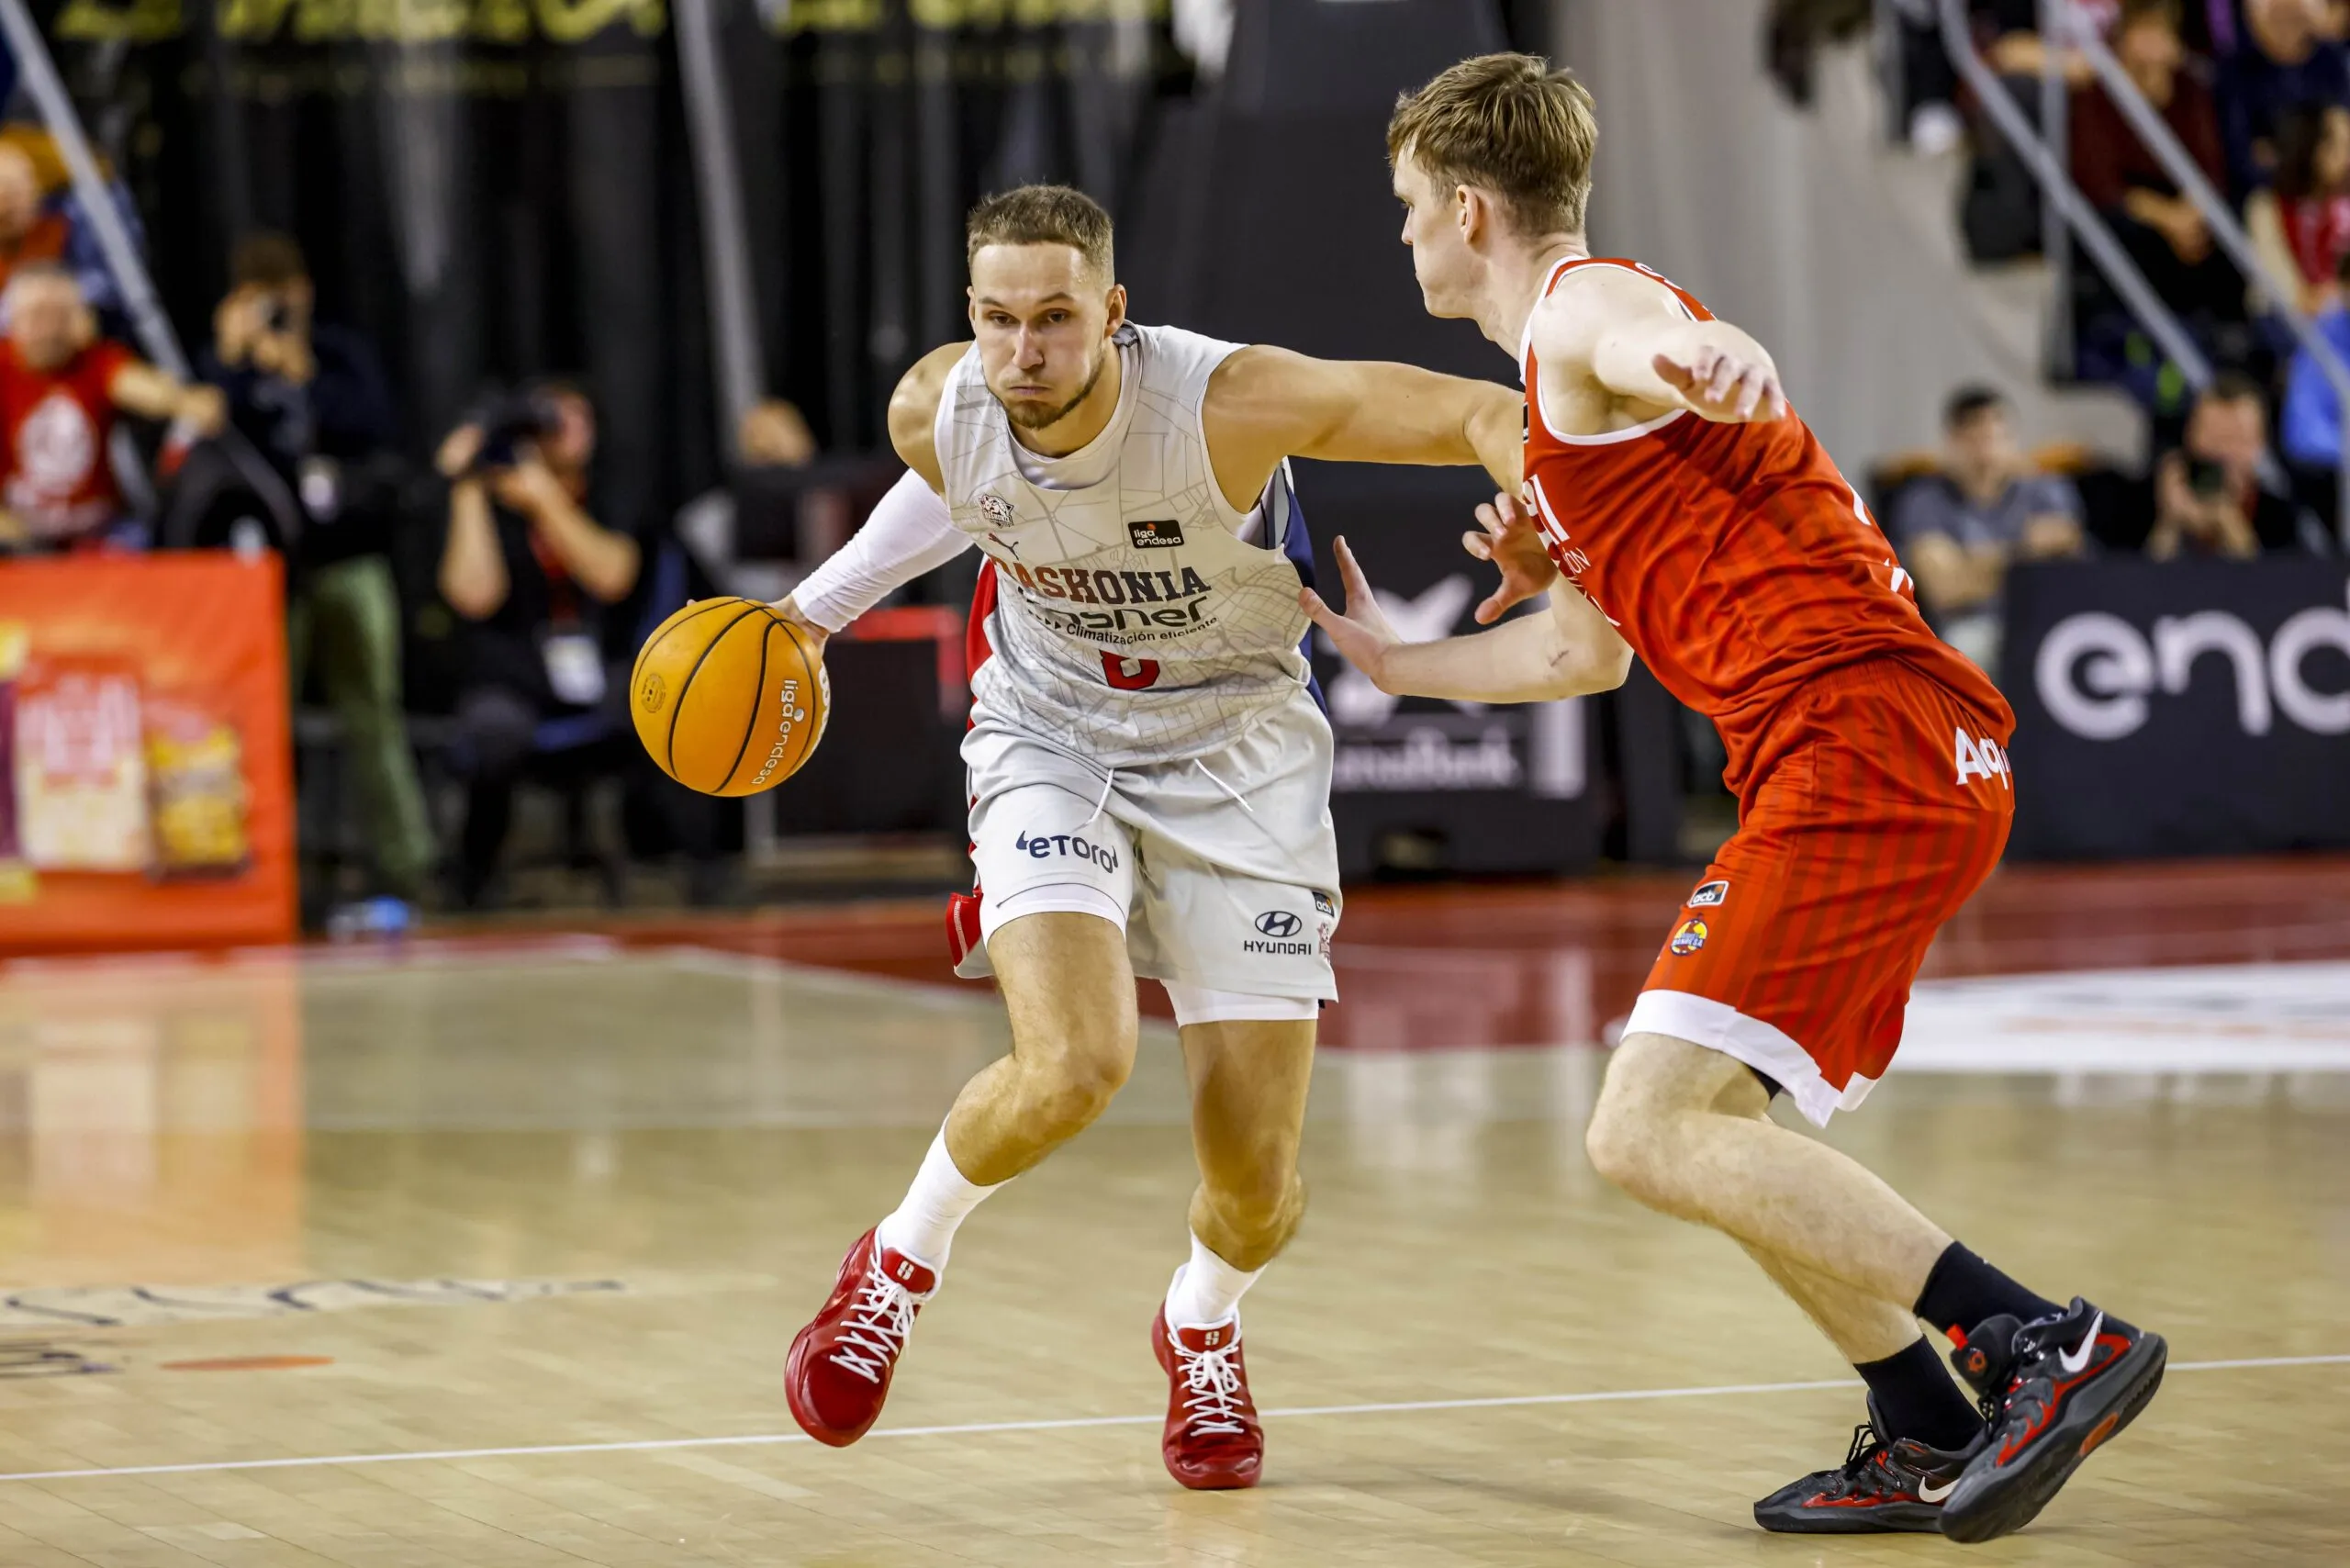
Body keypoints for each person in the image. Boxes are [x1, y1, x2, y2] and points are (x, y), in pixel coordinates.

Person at [1307, 53, 2166, 1542]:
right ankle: (1917, 1417)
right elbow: (1585, 655)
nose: (1400, 240)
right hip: (1887, 745)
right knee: (1712, 1122)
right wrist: (1409, 659)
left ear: (1466, 208)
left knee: (1640, 1130)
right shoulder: (1559, 421)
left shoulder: (1584, 310)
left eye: (1406, 210)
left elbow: (1662, 333)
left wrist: (1715, 360)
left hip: (1861, 740)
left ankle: (2037, 1339)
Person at [771, 185, 1523, 1491]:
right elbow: (958, 478)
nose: (1025, 353)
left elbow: (1483, 412)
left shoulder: (1225, 404)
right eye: (999, 321)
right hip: (1051, 731)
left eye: (1056, 320)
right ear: (971, 316)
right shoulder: (936, 402)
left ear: (1113, 317)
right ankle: (897, 1264)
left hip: (1238, 750)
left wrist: (1553, 532)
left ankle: (1201, 1324)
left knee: (1256, 1188)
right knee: (1076, 1062)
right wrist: (811, 612)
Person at [204, 230, 434, 911]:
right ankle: (268, 874)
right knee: (262, 722)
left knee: (375, 716)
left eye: (285, 292)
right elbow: (204, 444)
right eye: (259, 296)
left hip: (350, 560)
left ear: (304, 292)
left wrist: (300, 368)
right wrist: (230, 359)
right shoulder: (232, 369)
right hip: (267, 570)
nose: (276, 307)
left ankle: (406, 867)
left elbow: (375, 425)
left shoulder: (336, 354)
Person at [435, 381, 641, 906]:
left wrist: (545, 498)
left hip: (605, 668)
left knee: (668, 707)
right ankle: (474, 875)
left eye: (577, 418)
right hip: (516, 677)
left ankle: (697, 866)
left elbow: (611, 575)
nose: (565, 430)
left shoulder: (611, 491)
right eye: (551, 419)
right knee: (492, 730)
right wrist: (467, 485)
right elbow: (473, 595)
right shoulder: (492, 499)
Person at [0, 262, 220, 551]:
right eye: (37, 316)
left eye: (58, 315)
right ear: (13, 320)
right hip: (19, 535)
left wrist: (186, 402)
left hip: (98, 533)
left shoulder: (95, 361)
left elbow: (144, 390)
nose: (48, 329)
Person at [1892, 388, 2087, 671]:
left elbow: (2070, 565)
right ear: (1952, 441)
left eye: (1997, 436)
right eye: (1975, 439)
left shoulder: (2046, 491)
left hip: (2044, 620)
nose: (1987, 451)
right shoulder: (1924, 500)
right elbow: (1946, 588)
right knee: (1968, 650)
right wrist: (2024, 551)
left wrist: (1972, 565)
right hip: (1967, 627)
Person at [2071, 0, 2240, 327]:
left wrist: (2192, 213)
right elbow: (2102, 184)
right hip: (2133, 212)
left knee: (2226, 223)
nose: (2155, 46)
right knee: (2126, 231)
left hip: (2183, 208)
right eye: (2145, 33)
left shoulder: (2191, 90)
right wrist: (2168, 218)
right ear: (2122, 39)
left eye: (2162, 34)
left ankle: (2222, 334)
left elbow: (2210, 168)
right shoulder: (2096, 95)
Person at [2151, 371, 2313, 554]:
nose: (2224, 454)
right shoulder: (2144, 500)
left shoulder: (2280, 516)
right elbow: (2138, 577)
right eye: (2215, 439)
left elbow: (2273, 579)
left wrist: (2230, 524)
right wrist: (2169, 521)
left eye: (2237, 440)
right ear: (2190, 436)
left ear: (2259, 444)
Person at [2217, 0, 2350, 196]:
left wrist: (2281, 153)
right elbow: (2242, 162)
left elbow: (2343, 145)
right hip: (2266, 202)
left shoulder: (2331, 61)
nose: (2288, 11)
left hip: (2333, 198)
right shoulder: (2237, 71)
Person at [2246, 103, 2350, 315]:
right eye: (2344, 145)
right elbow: (2293, 298)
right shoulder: (2266, 208)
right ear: (2314, 153)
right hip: (2294, 324)